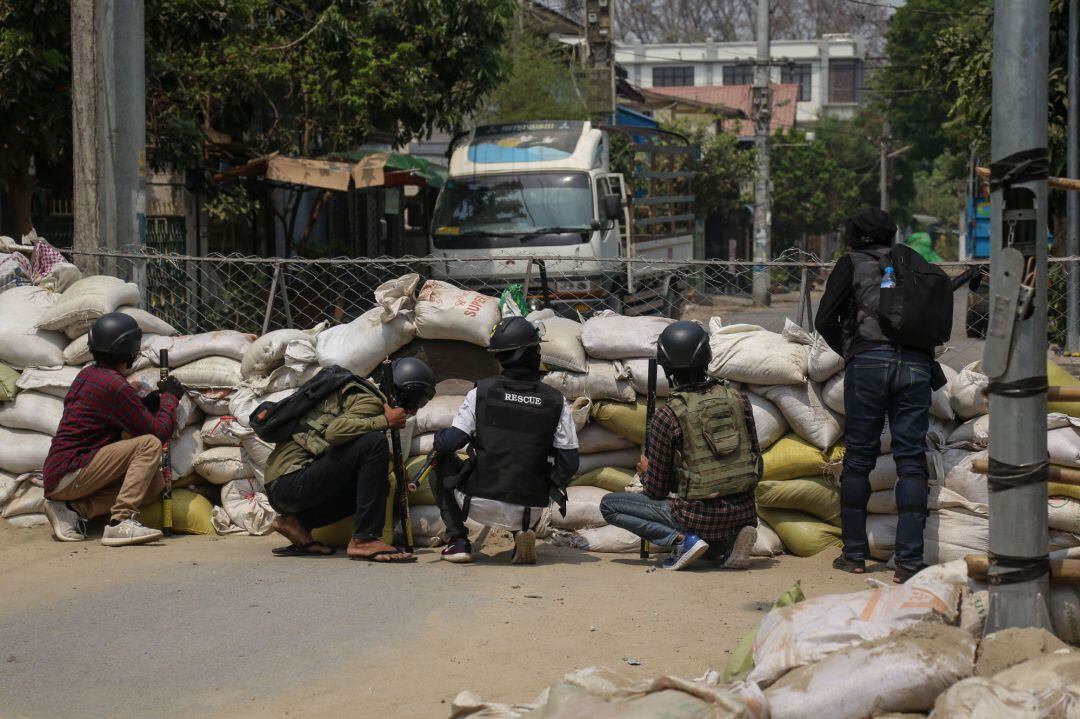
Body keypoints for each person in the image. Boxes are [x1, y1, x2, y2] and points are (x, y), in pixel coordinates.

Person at [815, 206, 948, 583]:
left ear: (854, 236)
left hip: (869, 365)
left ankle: (854, 555)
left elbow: (824, 318)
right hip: (917, 367)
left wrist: (853, 349)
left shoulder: (851, 264)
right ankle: (908, 562)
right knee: (910, 460)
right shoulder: (913, 264)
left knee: (859, 457)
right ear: (892, 233)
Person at [599, 321, 760, 571]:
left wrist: (645, 472)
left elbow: (657, 490)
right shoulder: (739, 400)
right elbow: (756, 463)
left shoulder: (669, 414)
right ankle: (728, 544)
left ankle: (682, 541)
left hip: (698, 517)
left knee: (609, 505)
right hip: (745, 512)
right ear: (706, 359)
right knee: (709, 522)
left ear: (667, 368)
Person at [432, 317, 579, 565]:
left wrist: (439, 439)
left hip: (476, 503)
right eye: (536, 348)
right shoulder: (556, 400)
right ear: (530, 354)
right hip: (529, 509)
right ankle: (519, 534)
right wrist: (544, 485)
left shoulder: (482, 392)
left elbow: (450, 443)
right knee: (524, 468)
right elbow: (569, 463)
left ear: (501, 358)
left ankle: (457, 540)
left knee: (436, 459)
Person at [264, 357, 436, 563]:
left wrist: (392, 465)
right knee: (375, 442)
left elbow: (350, 451)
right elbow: (335, 432)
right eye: (417, 401)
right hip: (290, 482)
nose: (416, 409)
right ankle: (364, 539)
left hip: (285, 486)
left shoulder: (362, 397)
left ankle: (297, 524)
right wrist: (385, 421)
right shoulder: (371, 401)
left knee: (378, 483)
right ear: (405, 391)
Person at [42, 312, 183, 547]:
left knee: (155, 483)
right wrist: (170, 398)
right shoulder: (114, 386)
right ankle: (120, 522)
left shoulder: (90, 374)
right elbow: (158, 433)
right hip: (71, 471)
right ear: (128, 349)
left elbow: (124, 416)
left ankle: (72, 510)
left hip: (63, 476)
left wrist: (150, 403)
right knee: (149, 444)